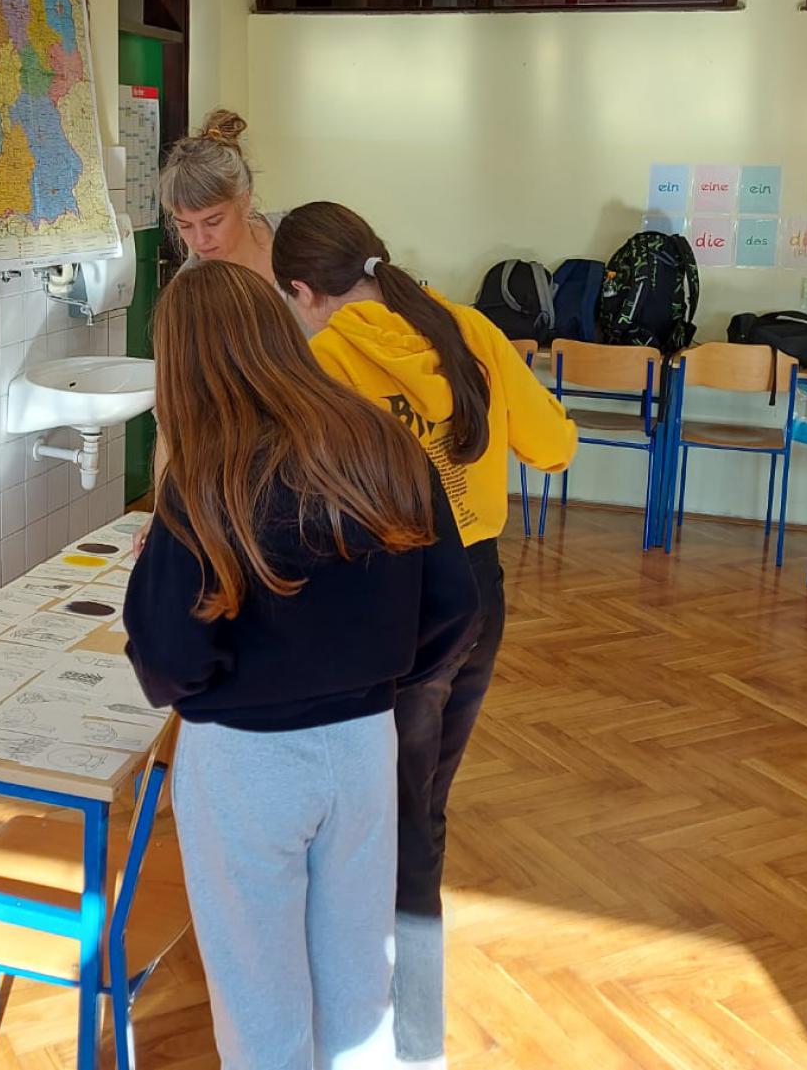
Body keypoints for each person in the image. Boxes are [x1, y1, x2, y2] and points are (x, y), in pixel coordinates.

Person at [124, 261, 480, 1070]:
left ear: (179, 368)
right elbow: (457, 603)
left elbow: (167, 661)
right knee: (359, 987)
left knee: (261, 1006)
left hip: (245, 761)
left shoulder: (204, 478)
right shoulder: (384, 444)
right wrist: (377, 672)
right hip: (363, 743)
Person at [271, 202, 577, 1070]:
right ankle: (405, 1031)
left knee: (377, 818)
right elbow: (555, 445)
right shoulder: (470, 327)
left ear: (302, 290)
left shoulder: (321, 358)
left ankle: (386, 1030)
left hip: (381, 601)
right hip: (476, 594)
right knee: (420, 810)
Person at [157, 109, 279, 281]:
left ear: (244, 203)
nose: (200, 241)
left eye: (213, 222)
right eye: (186, 226)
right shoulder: (190, 287)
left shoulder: (302, 237)